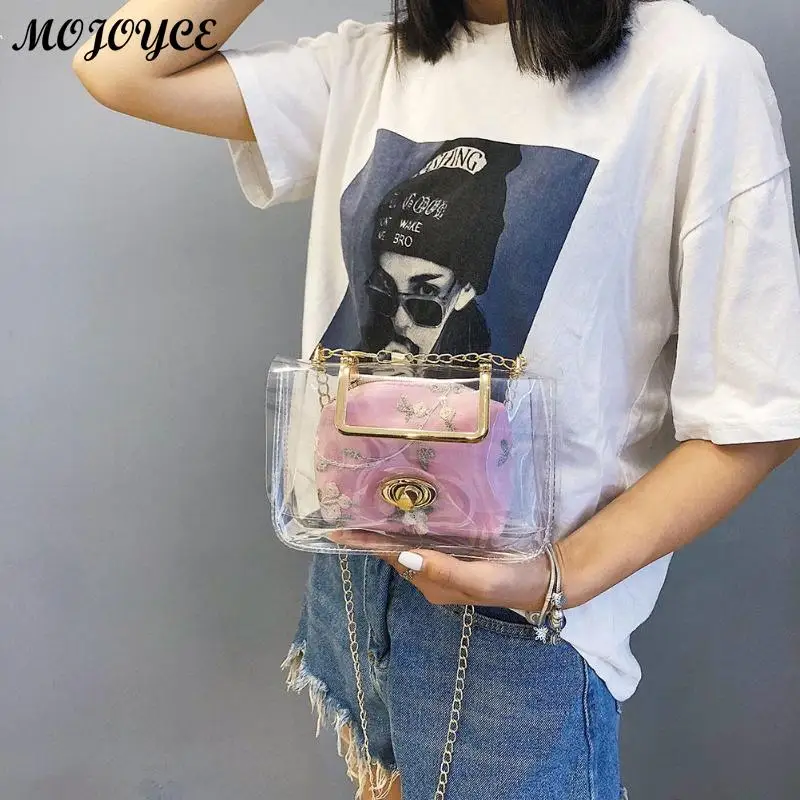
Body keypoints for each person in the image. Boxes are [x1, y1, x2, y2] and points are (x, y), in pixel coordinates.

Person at [72, 1, 800, 798]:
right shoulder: (374, 61)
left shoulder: (691, 71)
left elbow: (759, 414)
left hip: (520, 625)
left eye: (424, 295)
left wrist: (552, 577)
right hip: (354, 581)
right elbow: (118, 68)